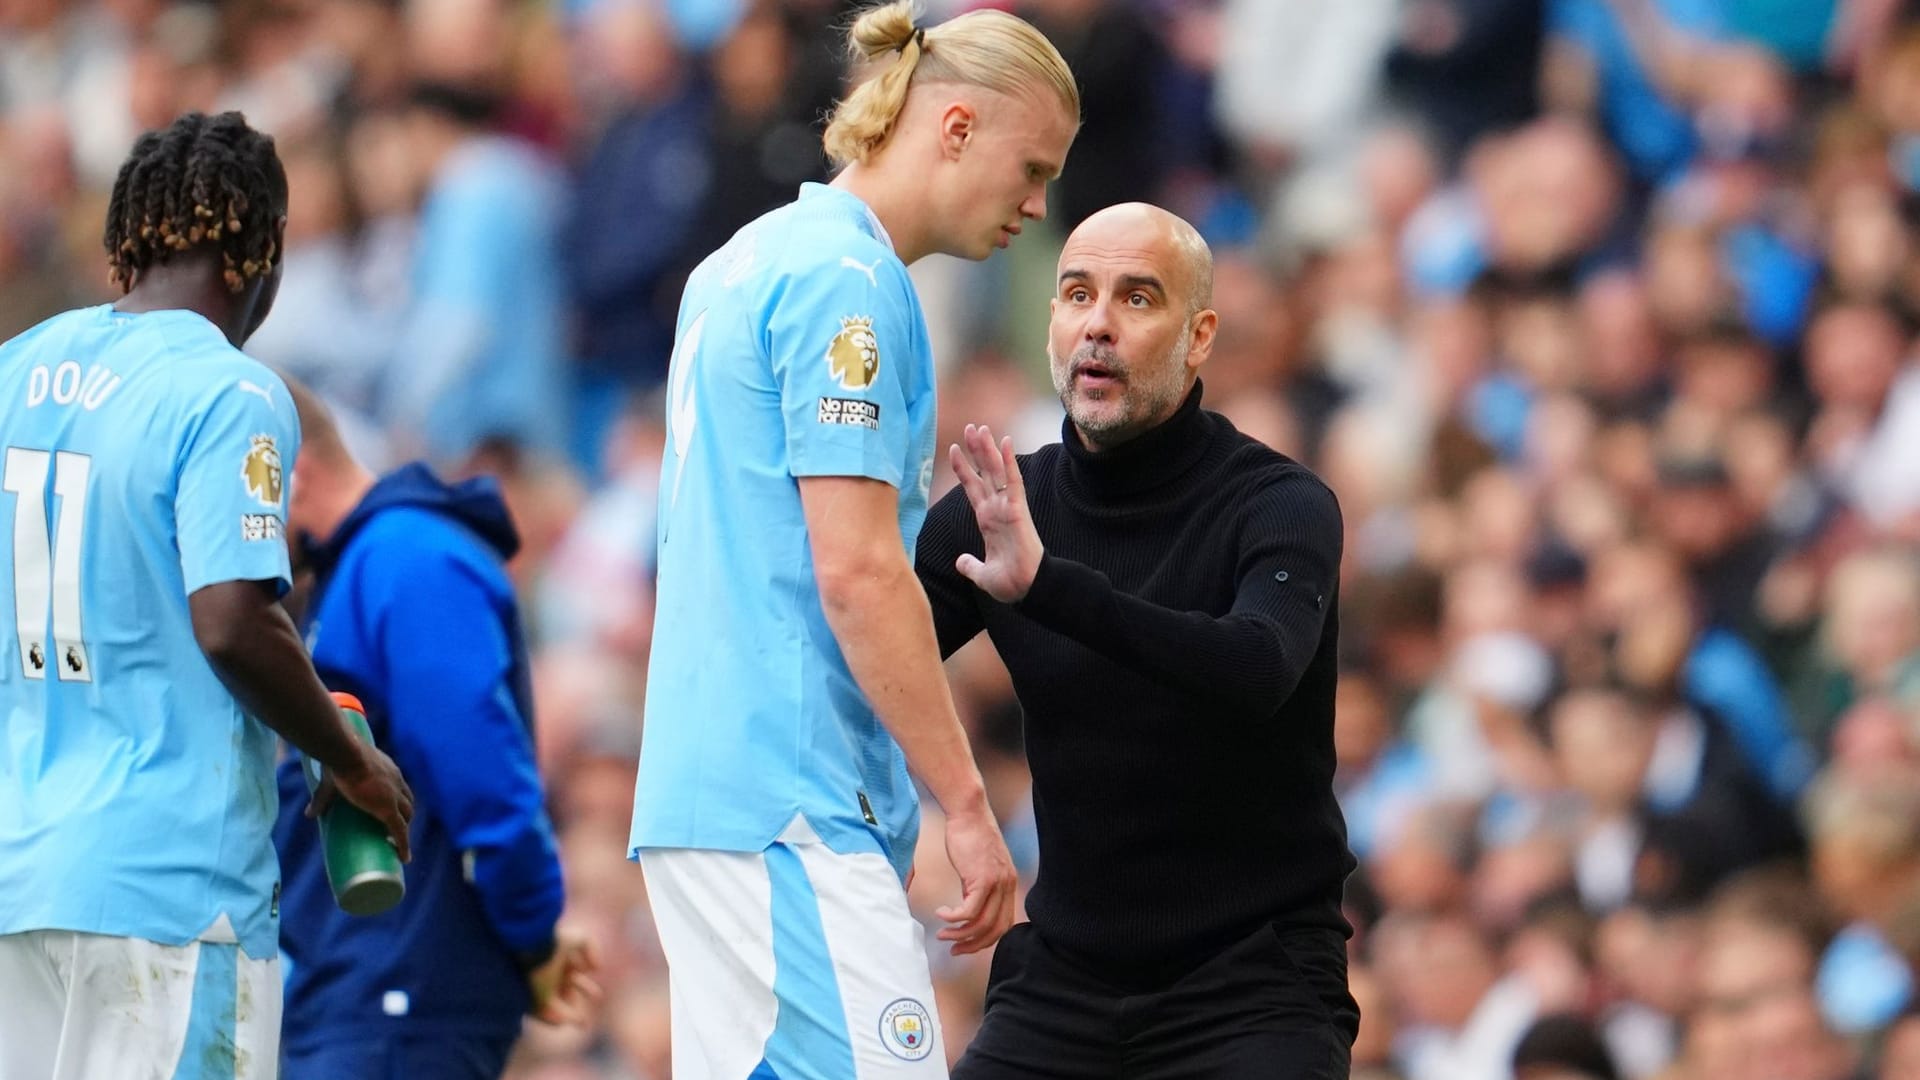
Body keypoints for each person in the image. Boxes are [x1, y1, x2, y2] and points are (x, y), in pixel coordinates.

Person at [625, 2, 1078, 1075]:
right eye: (1033, 166)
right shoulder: (851, 284)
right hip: (790, 797)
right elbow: (856, 569)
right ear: (955, 128)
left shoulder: (744, 259)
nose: (1039, 202)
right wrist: (967, 806)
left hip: (708, 788)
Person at [0, 111, 413, 1080]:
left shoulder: (13, 373)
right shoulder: (230, 391)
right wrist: (347, 758)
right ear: (257, 258)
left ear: (126, 247)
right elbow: (232, 621)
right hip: (168, 892)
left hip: (19, 882)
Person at [917, 202, 1359, 1079]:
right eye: (1077, 293)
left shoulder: (1279, 503)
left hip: (1254, 983)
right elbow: (859, 663)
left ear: (1199, 338)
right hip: (1066, 978)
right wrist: (954, 806)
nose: (1099, 325)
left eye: (1137, 298)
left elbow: (1254, 667)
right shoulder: (1003, 507)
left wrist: (1050, 588)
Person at [271, 378, 600, 1079]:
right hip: (362, 991)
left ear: (290, 476)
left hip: (400, 998)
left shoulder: (406, 558)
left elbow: (482, 771)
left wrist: (535, 937)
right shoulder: (355, 569)